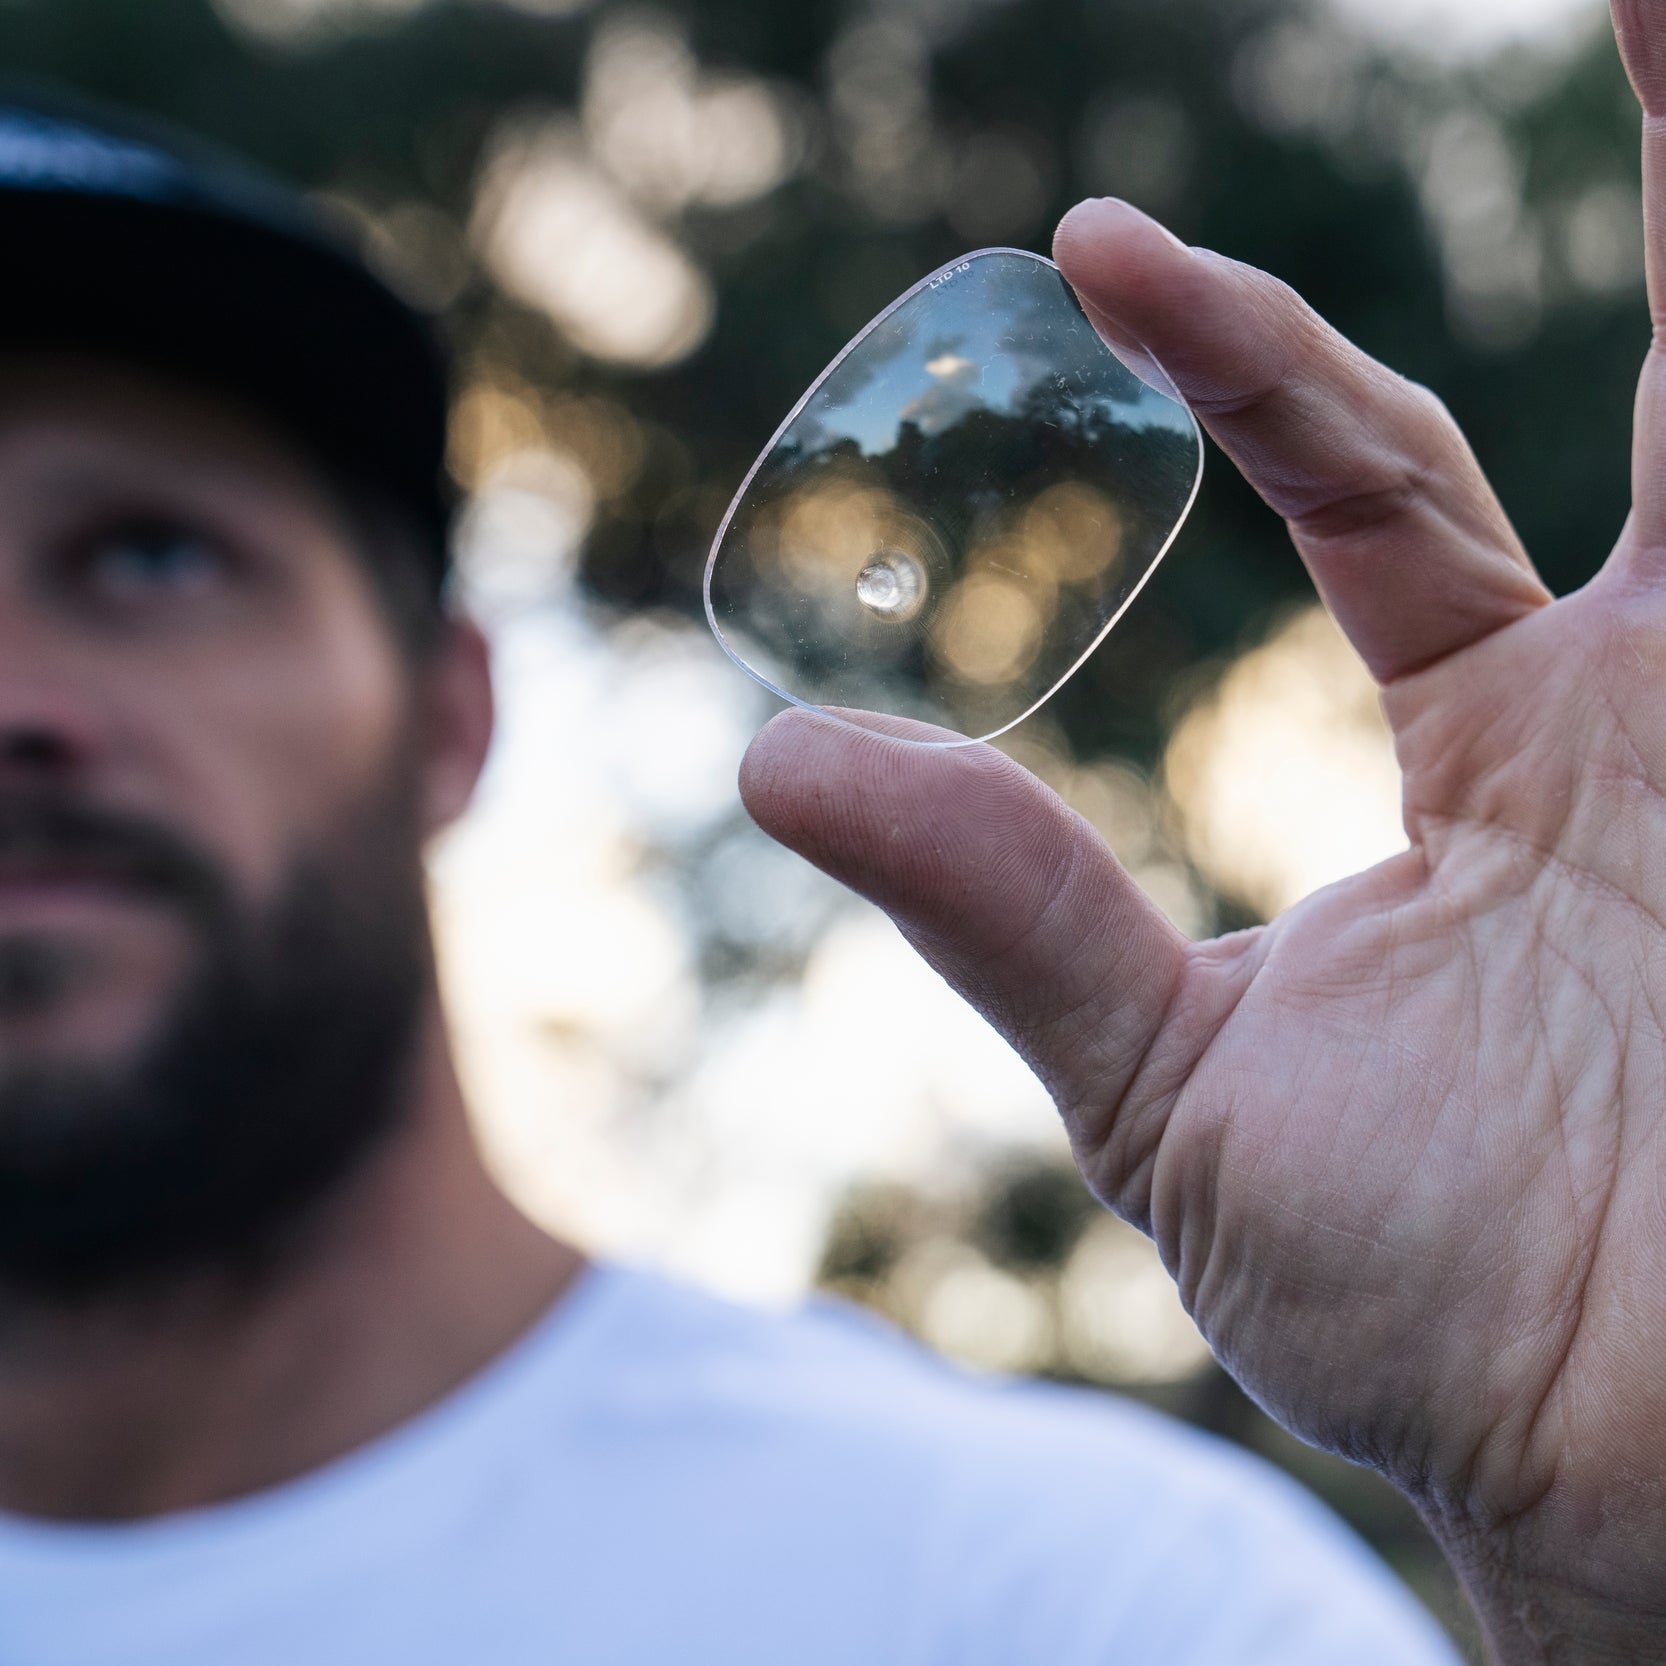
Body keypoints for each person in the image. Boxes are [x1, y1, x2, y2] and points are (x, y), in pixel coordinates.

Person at [0, 7, 1658, 1665]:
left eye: (149, 556)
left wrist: (1610, 1567)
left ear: (452, 709)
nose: (17, 700)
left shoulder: (1086, 1605)